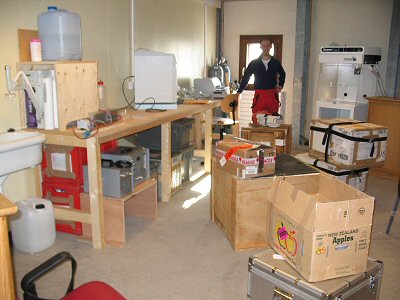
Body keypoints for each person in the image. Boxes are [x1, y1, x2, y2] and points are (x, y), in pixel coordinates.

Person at [236, 38, 286, 124]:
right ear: (261, 47)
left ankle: (270, 137)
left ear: (271, 47)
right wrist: (239, 92)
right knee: (257, 120)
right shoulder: (254, 63)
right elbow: (246, 77)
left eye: (268, 46)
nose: (266, 48)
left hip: (272, 95)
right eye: (264, 46)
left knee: (272, 120)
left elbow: (282, 74)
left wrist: (280, 85)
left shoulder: (275, 62)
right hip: (260, 95)